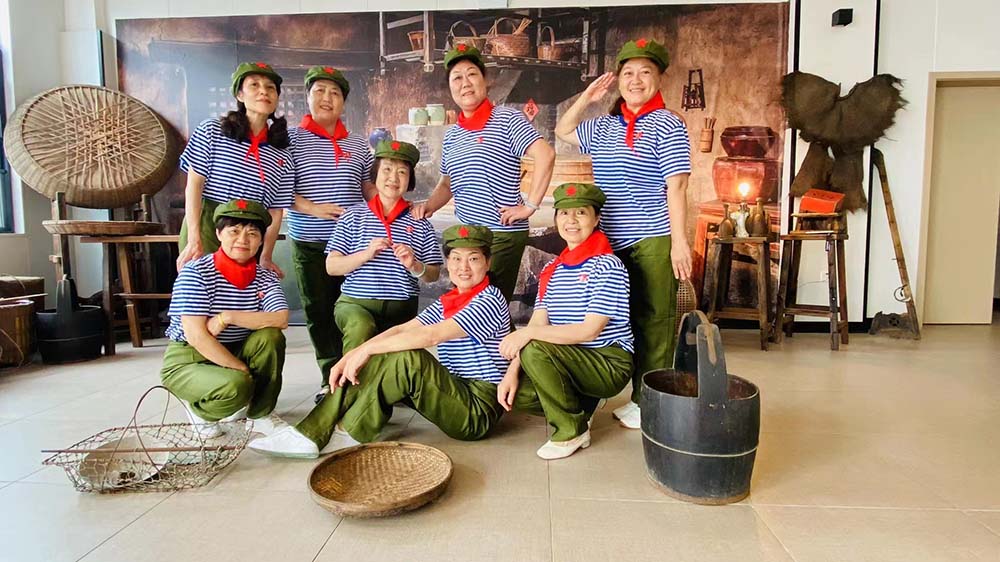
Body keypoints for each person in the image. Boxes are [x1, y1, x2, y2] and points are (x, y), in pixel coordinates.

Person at [248, 224, 522, 458]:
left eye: (473, 259)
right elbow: (403, 329)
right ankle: (335, 430)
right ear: (448, 263)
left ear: (487, 263)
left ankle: (320, 433)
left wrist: (364, 351)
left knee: (407, 358)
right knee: (386, 351)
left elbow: (429, 336)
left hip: (477, 410)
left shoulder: (489, 299)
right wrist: (353, 354)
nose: (463, 267)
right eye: (456, 259)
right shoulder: (449, 301)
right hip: (455, 389)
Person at [554, 38, 692, 429]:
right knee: (616, 319)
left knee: (654, 321)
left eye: (645, 72)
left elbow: (677, 186)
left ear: (659, 79)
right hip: (608, 242)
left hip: (652, 236)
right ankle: (610, 387)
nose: (635, 80)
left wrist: (679, 243)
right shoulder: (603, 126)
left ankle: (649, 401)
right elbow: (563, 130)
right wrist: (587, 97)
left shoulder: (668, 124)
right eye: (628, 73)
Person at [497, 183, 633, 459]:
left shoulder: (608, 266)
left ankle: (572, 430)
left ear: (596, 219)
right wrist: (511, 372)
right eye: (564, 213)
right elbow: (538, 324)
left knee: (534, 347)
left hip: (607, 361)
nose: (571, 220)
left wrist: (525, 336)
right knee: (518, 394)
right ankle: (584, 406)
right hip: (570, 358)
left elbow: (589, 331)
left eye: (581, 213)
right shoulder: (552, 269)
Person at [412, 44, 555, 302]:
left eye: (472, 74)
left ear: (485, 80)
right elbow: (447, 184)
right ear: (450, 88)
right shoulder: (453, 135)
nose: (465, 83)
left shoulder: (507, 119)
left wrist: (530, 206)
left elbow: (545, 154)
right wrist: (428, 206)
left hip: (501, 233)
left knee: (488, 303)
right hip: (469, 235)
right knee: (475, 305)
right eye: (457, 78)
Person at [161, 199, 289, 438]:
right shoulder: (196, 272)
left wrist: (227, 317)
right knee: (237, 386)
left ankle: (260, 414)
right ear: (219, 234)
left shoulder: (265, 277)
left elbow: (280, 318)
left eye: (252, 233)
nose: (243, 240)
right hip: (191, 356)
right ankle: (200, 409)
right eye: (234, 231)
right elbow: (197, 337)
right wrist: (242, 371)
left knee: (271, 337)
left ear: (261, 240)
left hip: (237, 346)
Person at [287, 66, 375, 402]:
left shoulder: (357, 142)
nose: (327, 98)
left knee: (356, 310)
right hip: (311, 242)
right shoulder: (290, 140)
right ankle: (330, 378)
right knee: (319, 312)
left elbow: (367, 186)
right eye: (320, 91)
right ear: (308, 97)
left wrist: (389, 201)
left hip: (354, 243)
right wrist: (313, 208)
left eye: (335, 93)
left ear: (343, 102)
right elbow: (279, 187)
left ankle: (362, 376)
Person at [324, 139, 442, 363]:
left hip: (401, 306)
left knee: (398, 360)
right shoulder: (353, 216)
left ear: (410, 180)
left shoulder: (420, 223)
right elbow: (332, 266)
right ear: (375, 174)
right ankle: (348, 385)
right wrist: (365, 254)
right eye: (387, 169)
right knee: (360, 328)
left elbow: (433, 274)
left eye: (402, 172)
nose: (393, 178)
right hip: (357, 303)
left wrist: (415, 266)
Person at [177, 62, 295, 278]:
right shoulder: (211, 131)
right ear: (240, 94)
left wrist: (266, 256)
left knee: (243, 294)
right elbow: (194, 185)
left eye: (270, 87)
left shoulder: (282, 152)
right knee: (201, 289)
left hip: (251, 233)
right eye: (254, 85)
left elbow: (276, 210)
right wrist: (194, 239)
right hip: (208, 225)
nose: (263, 91)